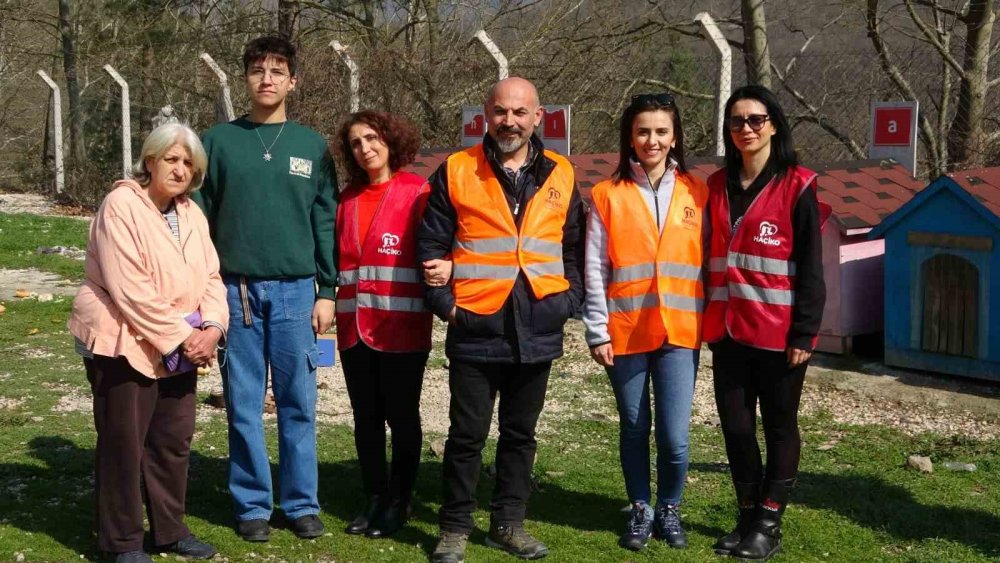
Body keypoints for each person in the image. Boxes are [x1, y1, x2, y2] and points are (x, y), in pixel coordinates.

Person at [417, 77, 586, 563]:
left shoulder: (562, 173)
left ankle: (508, 523)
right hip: (475, 324)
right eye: (499, 112)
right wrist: (447, 306)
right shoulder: (455, 170)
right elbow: (430, 246)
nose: (508, 121)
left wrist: (567, 300)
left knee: (519, 434)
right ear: (485, 116)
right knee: (466, 435)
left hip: (538, 325)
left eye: (519, 112)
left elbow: (571, 246)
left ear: (538, 118)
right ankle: (454, 528)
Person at [193, 36, 337, 542]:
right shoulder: (217, 142)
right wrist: (203, 293)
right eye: (258, 70)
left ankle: (301, 503)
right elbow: (198, 220)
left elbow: (325, 220)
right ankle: (252, 504)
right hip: (238, 292)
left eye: (278, 70)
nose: (268, 78)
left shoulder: (311, 146)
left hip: (299, 292)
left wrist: (328, 290)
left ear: (293, 81)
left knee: (299, 401)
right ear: (245, 79)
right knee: (244, 402)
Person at [69, 123, 226, 563]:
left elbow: (212, 277)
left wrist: (212, 328)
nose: (179, 169)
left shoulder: (191, 213)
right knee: (124, 441)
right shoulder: (121, 205)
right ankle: (120, 541)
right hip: (123, 340)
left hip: (183, 342)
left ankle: (169, 530)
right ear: (150, 161)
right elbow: (129, 288)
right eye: (171, 159)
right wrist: (183, 337)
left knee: (173, 438)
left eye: (188, 163)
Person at [703, 85, 827, 561]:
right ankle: (746, 513)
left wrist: (805, 333)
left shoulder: (799, 184)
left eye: (756, 120)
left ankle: (769, 521)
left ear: (774, 124)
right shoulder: (715, 185)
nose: (746, 129)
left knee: (779, 426)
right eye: (736, 121)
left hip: (779, 335)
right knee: (735, 427)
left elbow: (813, 268)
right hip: (727, 329)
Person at [583, 93, 707, 551]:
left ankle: (670, 507)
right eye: (642, 131)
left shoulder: (700, 191)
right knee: (634, 427)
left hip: (680, 332)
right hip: (627, 330)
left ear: (675, 137)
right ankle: (640, 507)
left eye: (661, 131)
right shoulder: (606, 194)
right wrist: (597, 330)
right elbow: (595, 267)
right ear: (629, 138)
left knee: (674, 438)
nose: (651, 140)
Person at [333, 110, 436, 539]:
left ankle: (400, 498)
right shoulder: (345, 199)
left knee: (403, 417)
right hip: (353, 328)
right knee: (366, 418)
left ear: (390, 140)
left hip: (402, 328)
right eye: (356, 143)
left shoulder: (418, 192)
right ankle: (374, 496)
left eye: (372, 138)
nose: (365, 149)